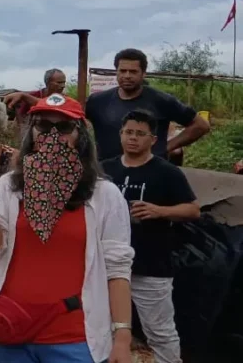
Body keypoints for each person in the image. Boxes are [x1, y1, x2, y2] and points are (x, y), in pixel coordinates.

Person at [0, 93, 134, 363]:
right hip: (10, 330)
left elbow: (118, 270)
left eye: (64, 127)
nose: (52, 135)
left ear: (80, 136)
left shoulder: (105, 195)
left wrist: (122, 339)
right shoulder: (10, 187)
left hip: (74, 339)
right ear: (32, 133)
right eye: (44, 126)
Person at [101, 110, 199, 363]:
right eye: (128, 132)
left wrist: (160, 210)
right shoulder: (105, 170)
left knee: (160, 331)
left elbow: (193, 210)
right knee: (105, 327)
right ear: (120, 135)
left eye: (140, 134)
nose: (133, 138)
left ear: (153, 140)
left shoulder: (166, 172)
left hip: (151, 265)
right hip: (107, 267)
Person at [86, 48, 210, 162]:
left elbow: (201, 125)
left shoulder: (161, 100)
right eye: (123, 71)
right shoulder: (97, 101)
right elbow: (76, 126)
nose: (127, 76)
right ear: (116, 72)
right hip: (108, 174)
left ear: (143, 73)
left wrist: (165, 148)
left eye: (133, 72)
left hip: (150, 174)